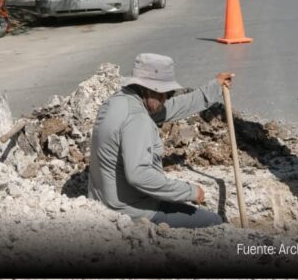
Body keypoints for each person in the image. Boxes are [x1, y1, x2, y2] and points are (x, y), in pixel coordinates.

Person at [88, 53, 234, 228]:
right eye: (165, 93)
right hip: (132, 210)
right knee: (215, 222)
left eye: (169, 93)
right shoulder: (137, 119)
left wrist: (213, 88)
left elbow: (172, 108)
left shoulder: (119, 101)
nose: (167, 98)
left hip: (104, 200)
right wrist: (189, 192)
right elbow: (139, 175)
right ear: (149, 89)